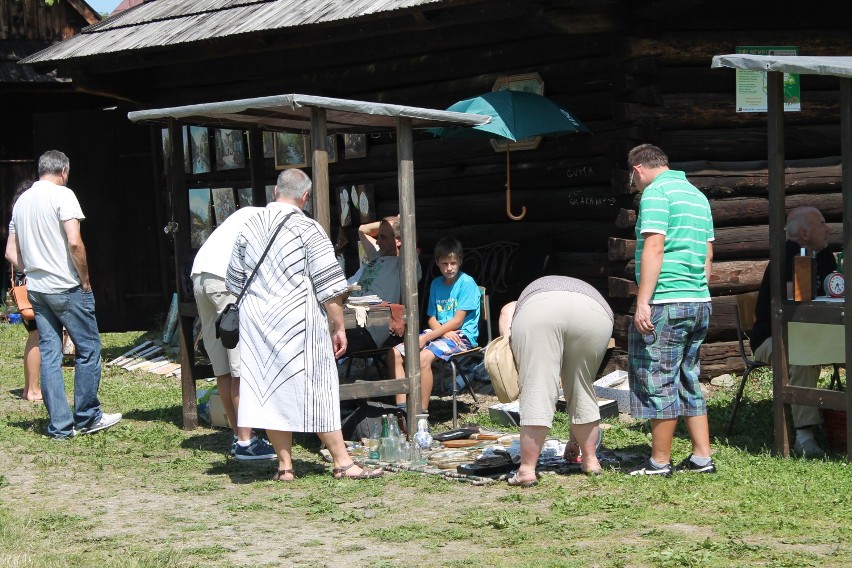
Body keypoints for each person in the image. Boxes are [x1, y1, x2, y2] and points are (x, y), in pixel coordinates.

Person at [226, 168, 382, 481]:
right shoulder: (308, 229)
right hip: (299, 322)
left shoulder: (249, 225)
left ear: (275, 192)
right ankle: (343, 462)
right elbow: (329, 286)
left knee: (269, 390)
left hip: (257, 321)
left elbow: (234, 278)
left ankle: (285, 468)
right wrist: (339, 326)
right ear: (305, 196)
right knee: (318, 387)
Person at [5, 150, 121, 439]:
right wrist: (85, 280)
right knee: (89, 348)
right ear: (64, 171)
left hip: (38, 289)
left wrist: (33, 267)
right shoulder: (63, 195)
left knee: (50, 354)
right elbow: (74, 242)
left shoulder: (21, 202)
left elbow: (9, 251)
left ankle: (59, 425)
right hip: (66, 286)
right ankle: (87, 416)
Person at [627, 143, 715, 476]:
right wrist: (697, 289)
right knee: (688, 377)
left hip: (667, 299)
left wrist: (643, 300)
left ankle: (659, 462)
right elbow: (708, 255)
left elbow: (654, 245)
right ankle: (701, 457)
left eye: (632, 178)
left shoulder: (655, 194)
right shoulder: (697, 196)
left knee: (658, 378)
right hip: (698, 299)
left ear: (638, 169)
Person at [501, 276, 614, 486]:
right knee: (582, 387)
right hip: (595, 313)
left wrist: (510, 345)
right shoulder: (570, 286)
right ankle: (590, 461)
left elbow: (507, 313)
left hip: (540, 314)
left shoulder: (518, 304)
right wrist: (573, 442)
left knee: (537, 388)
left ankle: (526, 470)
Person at [191, 204, 276, 460]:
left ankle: (239, 435)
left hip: (201, 277)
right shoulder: (272, 222)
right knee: (242, 368)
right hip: (224, 282)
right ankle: (246, 441)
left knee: (224, 368)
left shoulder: (249, 212)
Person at [750, 206, 834, 458]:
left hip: (816, 336)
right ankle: (804, 436)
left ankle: (841, 420)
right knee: (799, 357)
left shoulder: (826, 255)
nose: (828, 228)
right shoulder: (787, 257)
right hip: (772, 339)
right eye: (822, 223)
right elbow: (791, 304)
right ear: (806, 233)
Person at [388, 237, 480, 413]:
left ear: (460, 261)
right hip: (440, 332)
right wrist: (439, 332)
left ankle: (421, 413)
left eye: (453, 263)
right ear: (437, 262)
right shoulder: (436, 283)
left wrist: (432, 336)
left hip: (461, 336)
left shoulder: (466, 283)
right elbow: (431, 316)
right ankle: (401, 408)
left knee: (423, 358)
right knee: (394, 354)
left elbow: (458, 321)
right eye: (445, 263)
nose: (449, 268)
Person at [345, 215, 418, 354]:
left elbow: (410, 241)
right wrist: (387, 223)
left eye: (383, 237)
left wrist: (400, 223)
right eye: (378, 236)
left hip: (369, 326)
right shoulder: (377, 254)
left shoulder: (404, 263)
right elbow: (362, 230)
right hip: (350, 317)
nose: (377, 242)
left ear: (398, 241)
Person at [8, 180, 42, 402]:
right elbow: (11, 252)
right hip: (32, 281)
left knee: (35, 336)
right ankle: (32, 390)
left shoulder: (18, 218)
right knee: (38, 336)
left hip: (27, 280)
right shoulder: (24, 218)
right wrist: (32, 270)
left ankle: (28, 388)